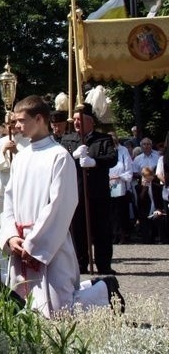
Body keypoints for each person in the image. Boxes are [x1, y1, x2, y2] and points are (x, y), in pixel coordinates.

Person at [0, 95, 109, 318]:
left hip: (49, 241)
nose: (17, 126)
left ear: (39, 119)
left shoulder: (59, 156)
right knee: (25, 305)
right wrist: (11, 235)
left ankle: (104, 291)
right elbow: (8, 199)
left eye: (21, 120)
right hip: (21, 242)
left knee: (60, 310)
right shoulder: (21, 158)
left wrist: (34, 243)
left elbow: (62, 203)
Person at [61, 104, 117, 274]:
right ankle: (80, 264)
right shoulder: (68, 140)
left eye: (80, 120)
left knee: (102, 230)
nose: (76, 123)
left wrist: (95, 162)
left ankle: (103, 264)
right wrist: (72, 157)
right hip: (77, 191)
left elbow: (112, 158)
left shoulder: (103, 139)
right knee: (78, 231)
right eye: (75, 120)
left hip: (98, 192)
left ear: (90, 122)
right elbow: (59, 164)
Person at [108, 132, 134, 244]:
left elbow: (128, 170)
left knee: (121, 212)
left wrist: (119, 176)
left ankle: (123, 234)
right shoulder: (105, 150)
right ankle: (112, 234)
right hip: (108, 184)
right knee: (110, 212)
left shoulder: (123, 151)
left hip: (120, 185)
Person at [136, 167, 166, 244]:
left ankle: (161, 238)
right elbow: (140, 200)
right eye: (146, 177)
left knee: (160, 218)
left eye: (149, 176)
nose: (148, 179)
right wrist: (144, 188)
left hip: (156, 209)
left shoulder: (157, 186)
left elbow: (160, 200)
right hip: (145, 211)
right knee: (146, 240)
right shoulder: (138, 187)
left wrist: (160, 209)